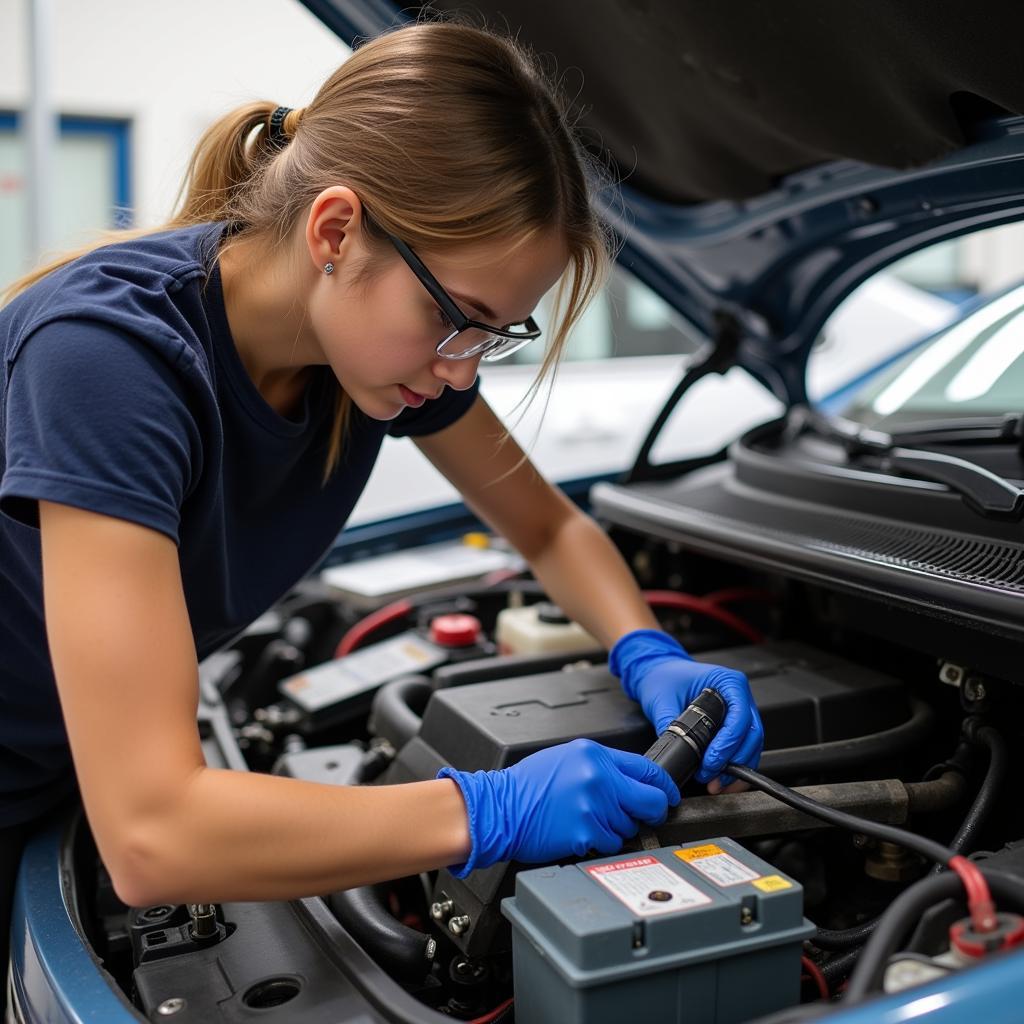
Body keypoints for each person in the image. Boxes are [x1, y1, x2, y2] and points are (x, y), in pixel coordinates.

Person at [0, 19, 763, 1001]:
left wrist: (648, 650)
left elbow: (549, 525)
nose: (459, 368)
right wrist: (481, 809)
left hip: (62, 782)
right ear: (333, 232)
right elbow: (154, 836)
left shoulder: (373, 347)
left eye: (494, 335)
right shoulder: (109, 361)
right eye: (455, 318)